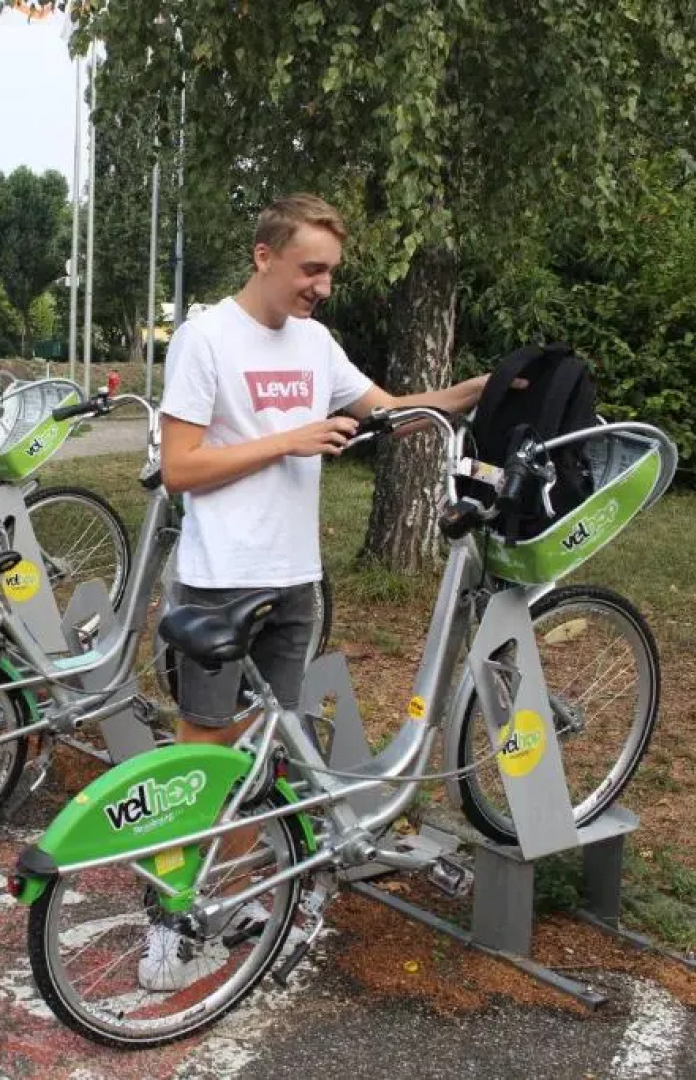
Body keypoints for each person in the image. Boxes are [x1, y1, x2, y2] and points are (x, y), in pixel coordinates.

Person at [146, 193, 490, 991]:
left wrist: (476, 390)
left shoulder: (314, 342)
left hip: (293, 579)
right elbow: (179, 468)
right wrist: (289, 440)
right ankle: (166, 917)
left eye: (330, 272)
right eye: (310, 269)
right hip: (219, 579)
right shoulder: (205, 337)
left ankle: (228, 898)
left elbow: (388, 412)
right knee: (204, 759)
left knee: (262, 760)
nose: (322, 287)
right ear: (263, 255)